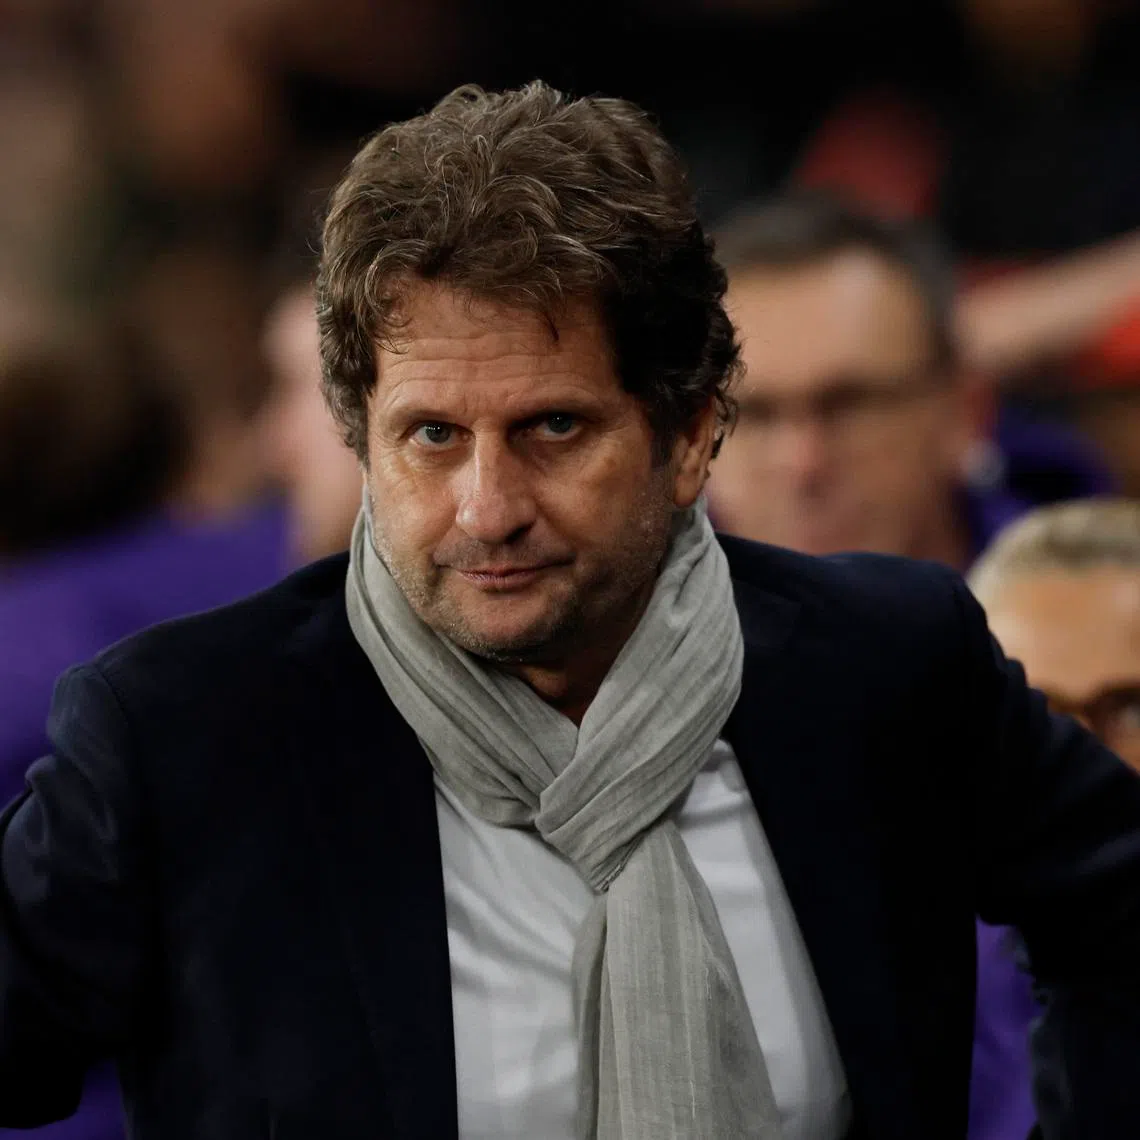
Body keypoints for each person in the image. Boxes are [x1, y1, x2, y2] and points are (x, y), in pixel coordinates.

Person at [1, 82, 1138, 1140]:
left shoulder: (885, 664)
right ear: (363, 439)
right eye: (432, 436)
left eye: (553, 429)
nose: (487, 510)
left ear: (691, 435)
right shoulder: (183, 735)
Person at [705, 192, 1114, 568]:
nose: (802, 463)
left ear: (965, 411)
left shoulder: (1099, 609)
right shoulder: (651, 627)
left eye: (850, 406)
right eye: (753, 414)